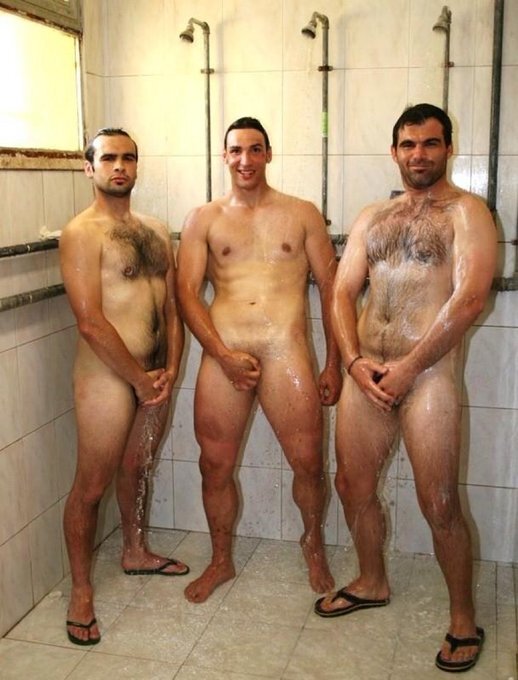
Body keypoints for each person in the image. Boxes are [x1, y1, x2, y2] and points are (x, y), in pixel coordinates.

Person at [315, 104, 496, 673]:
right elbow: (342, 292)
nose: (419, 154)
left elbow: (470, 298)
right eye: (409, 144)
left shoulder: (468, 212)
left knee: (440, 502)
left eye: (431, 143)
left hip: (428, 377)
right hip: (366, 372)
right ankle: (371, 580)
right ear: (394, 151)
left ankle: (463, 618)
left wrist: (411, 366)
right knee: (352, 484)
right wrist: (352, 362)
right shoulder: (374, 215)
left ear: (448, 148)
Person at [176, 116, 343, 603]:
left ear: (268, 154)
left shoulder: (302, 214)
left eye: (254, 149)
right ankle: (221, 560)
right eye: (236, 150)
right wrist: (222, 354)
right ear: (224, 156)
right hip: (224, 350)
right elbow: (186, 293)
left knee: (308, 464)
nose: (244, 160)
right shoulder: (203, 219)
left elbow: (332, 290)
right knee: (214, 465)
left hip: (285, 350)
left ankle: (313, 544)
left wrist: (333, 362)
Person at [60, 128, 188, 646]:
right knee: (90, 487)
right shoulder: (81, 232)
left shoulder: (155, 230)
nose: (120, 166)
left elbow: (172, 306)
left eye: (128, 158)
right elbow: (90, 322)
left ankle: (135, 551)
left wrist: (171, 368)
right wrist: (138, 380)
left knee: (136, 469)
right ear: (88, 167)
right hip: (108, 377)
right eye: (109, 158)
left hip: (154, 376)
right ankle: (81, 591)